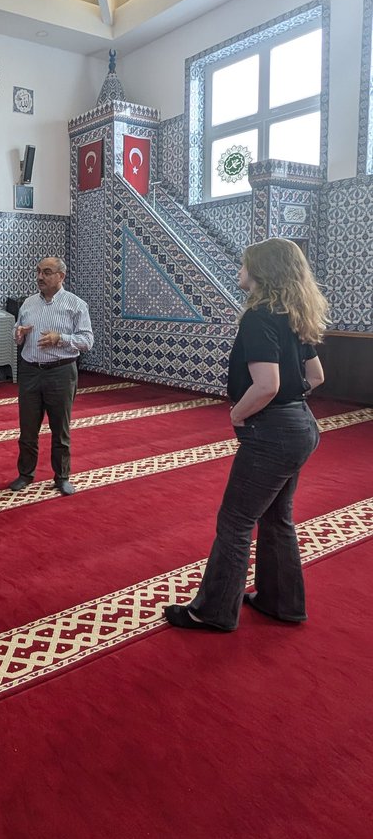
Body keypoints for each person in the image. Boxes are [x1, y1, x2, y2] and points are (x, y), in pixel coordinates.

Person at [164, 238, 327, 632]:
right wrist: (290, 401)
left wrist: (238, 414)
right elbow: (317, 377)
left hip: (272, 433)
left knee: (235, 521)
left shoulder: (259, 316)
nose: (239, 270)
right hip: (301, 425)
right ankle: (280, 601)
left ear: (261, 271)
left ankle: (213, 611)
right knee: (277, 517)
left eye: (244, 265)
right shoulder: (293, 314)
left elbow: (266, 385)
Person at [8, 256, 93, 495]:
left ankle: (62, 476)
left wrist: (61, 338)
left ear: (61, 276)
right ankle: (25, 474)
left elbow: (87, 341)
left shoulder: (75, 305)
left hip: (60, 372)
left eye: (46, 272)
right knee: (27, 429)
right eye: (38, 272)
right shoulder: (28, 303)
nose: (40, 277)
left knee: (60, 429)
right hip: (30, 371)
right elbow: (17, 334)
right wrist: (19, 333)